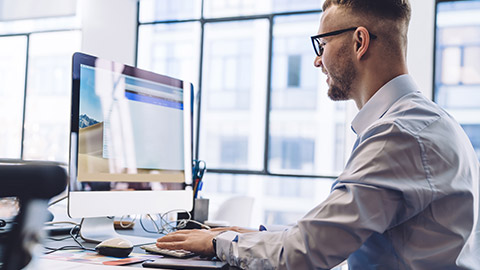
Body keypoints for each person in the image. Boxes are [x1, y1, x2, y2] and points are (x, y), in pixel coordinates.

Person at [156, 0, 480, 269]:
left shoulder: (398, 133)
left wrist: (217, 242)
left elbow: (306, 252)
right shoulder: (428, 121)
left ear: (359, 42)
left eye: (322, 44)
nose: (316, 60)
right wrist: (250, 235)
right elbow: (332, 230)